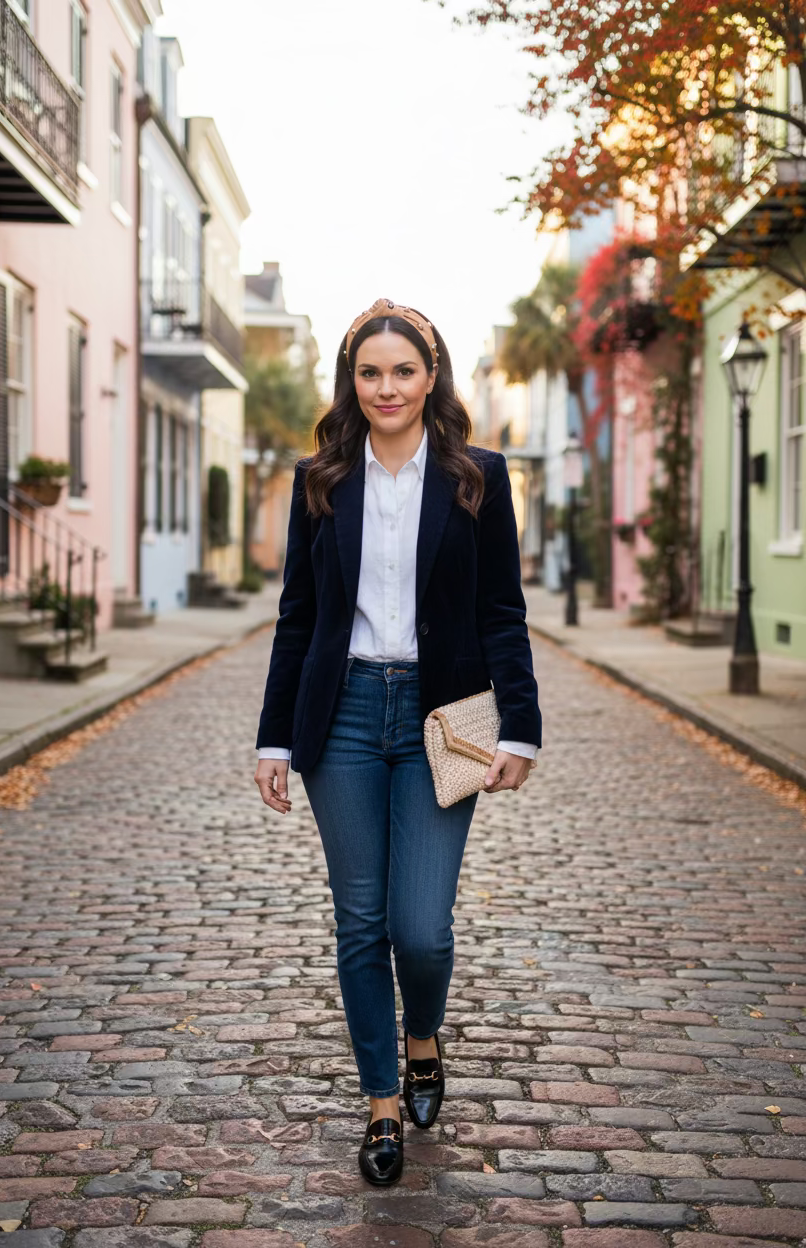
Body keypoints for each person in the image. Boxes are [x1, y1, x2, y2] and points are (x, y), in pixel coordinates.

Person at [254, 298, 542, 1186]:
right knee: (360, 922)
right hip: (338, 716)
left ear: (431, 378)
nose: (387, 388)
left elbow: (502, 612)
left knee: (419, 930)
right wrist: (274, 739)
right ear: (353, 382)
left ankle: (425, 1035)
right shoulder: (322, 481)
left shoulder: (476, 478)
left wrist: (522, 726)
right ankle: (382, 1102)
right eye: (370, 372)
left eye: (403, 371)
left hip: (441, 718)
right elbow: (297, 617)